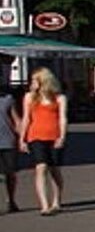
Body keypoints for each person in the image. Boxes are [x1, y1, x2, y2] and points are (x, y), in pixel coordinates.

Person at [20, 67, 67, 215]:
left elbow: (62, 118)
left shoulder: (59, 98)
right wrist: (22, 138)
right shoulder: (29, 97)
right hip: (35, 135)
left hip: (54, 135)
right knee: (41, 167)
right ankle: (44, 205)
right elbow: (26, 118)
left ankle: (56, 200)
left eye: (35, 80)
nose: (32, 83)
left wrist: (62, 136)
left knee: (54, 169)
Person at [0, 83, 20, 213]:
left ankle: (11, 200)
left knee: (10, 173)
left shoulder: (8, 99)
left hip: (8, 140)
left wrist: (22, 138)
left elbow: (16, 119)